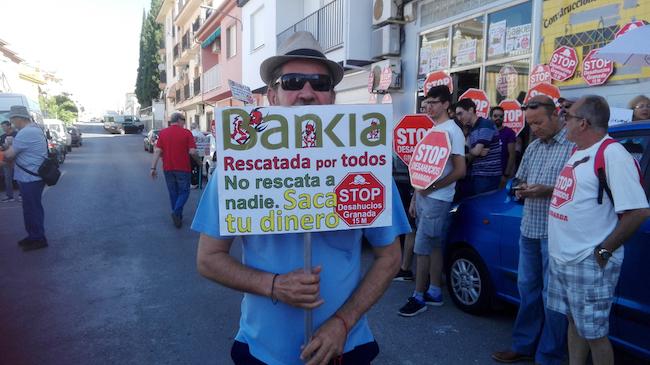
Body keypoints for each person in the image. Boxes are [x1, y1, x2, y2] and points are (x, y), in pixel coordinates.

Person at [192, 31, 411, 365]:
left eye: (320, 83)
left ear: (332, 96)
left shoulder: (367, 160)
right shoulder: (238, 167)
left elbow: (390, 258)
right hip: (262, 350)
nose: (307, 93)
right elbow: (208, 259)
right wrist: (274, 285)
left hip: (346, 347)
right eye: (293, 81)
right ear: (272, 96)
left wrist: (343, 322)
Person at [547, 95, 650, 365]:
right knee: (575, 323)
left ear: (583, 123)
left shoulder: (612, 153)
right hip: (564, 258)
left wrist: (604, 251)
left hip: (588, 262)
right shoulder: (578, 152)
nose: (563, 120)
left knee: (595, 335)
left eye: (567, 116)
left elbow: (638, 211)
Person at [492, 95, 573, 365]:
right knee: (527, 290)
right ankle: (523, 344)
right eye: (530, 124)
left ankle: (549, 355)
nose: (534, 129)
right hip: (530, 228)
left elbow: (578, 190)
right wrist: (520, 188)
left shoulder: (573, 147)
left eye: (538, 122)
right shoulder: (535, 146)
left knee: (553, 297)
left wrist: (547, 190)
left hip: (557, 233)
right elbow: (520, 178)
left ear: (556, 116)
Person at [397, 85, 466, 317]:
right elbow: (422, 169)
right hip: (426, 196)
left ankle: (419, 296)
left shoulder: (453, 132)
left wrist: (432, 188)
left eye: (434, 102)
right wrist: (416, 196)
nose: (429, 106)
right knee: (433, 245)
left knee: (422, 247)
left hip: (438, 199)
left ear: (446, 104)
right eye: (427, 102)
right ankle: (434, 291)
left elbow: (460, 170)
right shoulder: (433, 129)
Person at [2, 106, 48, 250]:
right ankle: (33, 235)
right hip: (32, 177)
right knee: (30, 208)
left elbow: (9, 155)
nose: (12, 122)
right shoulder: (34, 129)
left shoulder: (26, 133)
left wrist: (8, 148)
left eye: (13, 119)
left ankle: (38, 238)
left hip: (30, 178)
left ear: (19, 118)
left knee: (32, 209)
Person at [150, 112, 198, 228]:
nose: (184, 123)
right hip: (183, 168)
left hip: (168, 168)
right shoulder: (187, 133)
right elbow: (192, 152)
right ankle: (176, 212)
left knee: (173, 193)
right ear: (180, 120)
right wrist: (199, 162)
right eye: (184, 120)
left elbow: (157, 151)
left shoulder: (163, 133)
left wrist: (153, 168)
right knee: (184, 192)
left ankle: (178, 217)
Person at [456, 99, 502, 194]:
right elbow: (476, 152)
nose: (459, 118)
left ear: (471, 110)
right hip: (478, 174)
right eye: (457, 115)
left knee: (483, 205)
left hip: (488, 174)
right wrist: (474, 151)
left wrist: (471, 151)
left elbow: (476, 151)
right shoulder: (472, 128)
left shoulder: (485, 124)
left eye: (460, 113)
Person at [490, 106, 516, 187]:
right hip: (488, 174)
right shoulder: (487, 131)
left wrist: (506, 174)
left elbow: (512, 155)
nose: (498, 118)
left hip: (502, 175)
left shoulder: (509, 132)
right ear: (490, 117)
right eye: (495, 116)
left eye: (501, 116)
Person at [1, 120, 18, 202]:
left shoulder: (16, 134)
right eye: (2, 127)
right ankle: (9, 196)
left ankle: (22, 195)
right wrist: (3, 147)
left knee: (19, 177)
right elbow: (1, 148)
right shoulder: (2, 136)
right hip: (6, 160)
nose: (3, 128)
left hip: (16, 159)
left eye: (4, 126)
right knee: (7, 179)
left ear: (9, 126)